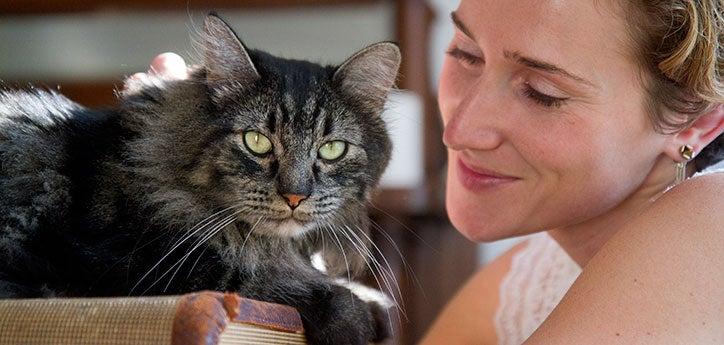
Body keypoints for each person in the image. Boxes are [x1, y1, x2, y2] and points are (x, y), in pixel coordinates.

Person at [133, 1, 724, 343]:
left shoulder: (711, 225)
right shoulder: (527, 279)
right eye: (464, 56)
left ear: (699, 123)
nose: (461, 128)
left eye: (542, 93)